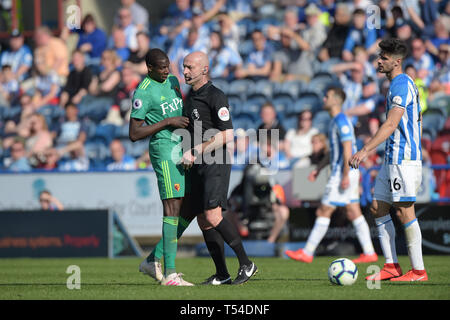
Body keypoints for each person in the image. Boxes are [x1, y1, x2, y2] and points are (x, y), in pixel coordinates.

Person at [349, 38, 428, 281]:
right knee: (377, 207)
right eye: (379, 56)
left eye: (384, 58)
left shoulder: (401, 84)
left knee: (405, 211)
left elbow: (392, 123)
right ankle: (392, 266)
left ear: (397, 61)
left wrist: (365, 150)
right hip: (392, 158)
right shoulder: (395, 84)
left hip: (403, 158)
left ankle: (418, 271)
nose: (379, 61)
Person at [181, 51, 257, 285]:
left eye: (190, 67)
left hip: (216, 161)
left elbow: (227, 134)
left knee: (213, 215)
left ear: (204, 69)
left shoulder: (215, 96)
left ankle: (246, 263)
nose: (185, 71)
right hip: (199, 164)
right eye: (184, 66)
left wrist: (196, 150)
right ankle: (222, 274)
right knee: (204, 220)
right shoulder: (189, 97)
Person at [285, 86, 377, 264]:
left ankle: (307, 251)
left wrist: (344, 175)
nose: (324, 99)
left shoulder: (341, 121)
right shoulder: (335, 121)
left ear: (336, 99)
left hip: (342, 173)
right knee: (353, 211)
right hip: (345, 171)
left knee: (324, 210)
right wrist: (319, 169)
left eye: (327, 96)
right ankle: (369, 252)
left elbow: (347, 149)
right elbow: (334, 151)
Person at [129, 48, 193, 286]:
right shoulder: (143, 92)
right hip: (164, 150)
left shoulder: (174, 81)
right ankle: (171, 274)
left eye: (168, 66)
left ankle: (153, 258)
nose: (167, 71)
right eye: (162, 68)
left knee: (186, 206)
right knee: (172, 207)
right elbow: (134, 133)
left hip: (182, 147)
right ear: (150, 68)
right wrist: (167, 122)